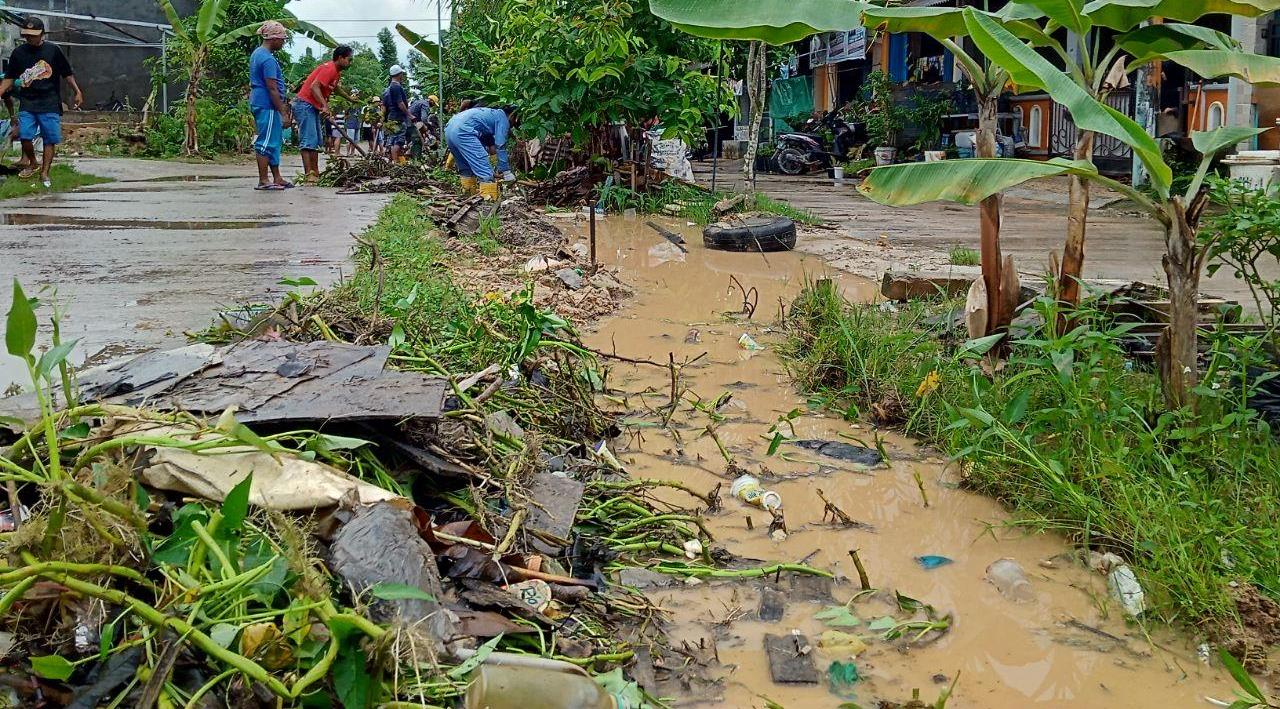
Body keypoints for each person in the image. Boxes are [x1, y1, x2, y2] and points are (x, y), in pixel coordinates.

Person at [0, 16, 83, 187]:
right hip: (28, 101)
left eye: (33, 34)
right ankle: (33, 162)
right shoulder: (18, 53)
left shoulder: (53, 50)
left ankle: (45, 173)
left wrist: (77, 91)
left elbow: (66, 73)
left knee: (49, 139)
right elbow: (9, 77)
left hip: (49, 101)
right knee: (24, 136)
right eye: (27, 35)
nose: (29, 38)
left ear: (42, 34)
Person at [293, 44, 355, 183]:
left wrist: (349, 98)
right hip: (304, 104)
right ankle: (309, 174)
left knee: (316, 140)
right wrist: (325, 106)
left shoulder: (336, 73)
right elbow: (314, 86)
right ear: (340, 58)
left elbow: (336, 88)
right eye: (349, 59)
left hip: (312, 106)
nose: (350, 63)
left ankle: (315, 173)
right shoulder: (329, 68)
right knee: (308, 140)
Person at [249, 21, 292, 191]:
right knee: (265, 142)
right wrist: (283, 111)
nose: (283, 42)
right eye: (282, 39)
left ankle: (277, 177)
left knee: (274, 141)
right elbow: (272, 88)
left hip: (265, 103)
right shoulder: (266, 59)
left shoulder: (258, 54)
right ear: (273, 38)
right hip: (267, 104)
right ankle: (263, 180)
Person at [445, 105, 518, 201]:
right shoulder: (503, 118)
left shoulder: (489, 114)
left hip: (449, 129)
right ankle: (489, 200)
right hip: (464, 131)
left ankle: (468, 193)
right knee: (483, 167)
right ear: (513, 116)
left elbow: (487, 140)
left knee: (465, 167)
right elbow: (500, 145)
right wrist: (506, 171)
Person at [381, 66, 412, 162]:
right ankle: (396, 163)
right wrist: (409, 114)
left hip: (391, 118)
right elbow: (400, 103)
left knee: (393, 140)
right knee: (398, 141)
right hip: (398, 118)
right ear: (400, 74)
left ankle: (396, 162)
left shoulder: (387, 90)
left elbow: (384, 107)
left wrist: (382, 119)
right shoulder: (396, 86)